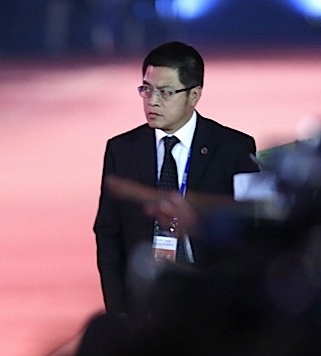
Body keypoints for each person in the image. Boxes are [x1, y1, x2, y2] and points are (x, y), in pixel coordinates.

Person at [93, 40, 259, 321]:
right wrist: (118, 312)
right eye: (146, 89)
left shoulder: (234, 149)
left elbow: (251, 232)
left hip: (211, 301)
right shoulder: (121, 150)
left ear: (194, 95)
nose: (152, 101)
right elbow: (108, 234)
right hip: (144, 301)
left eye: (166, 92)